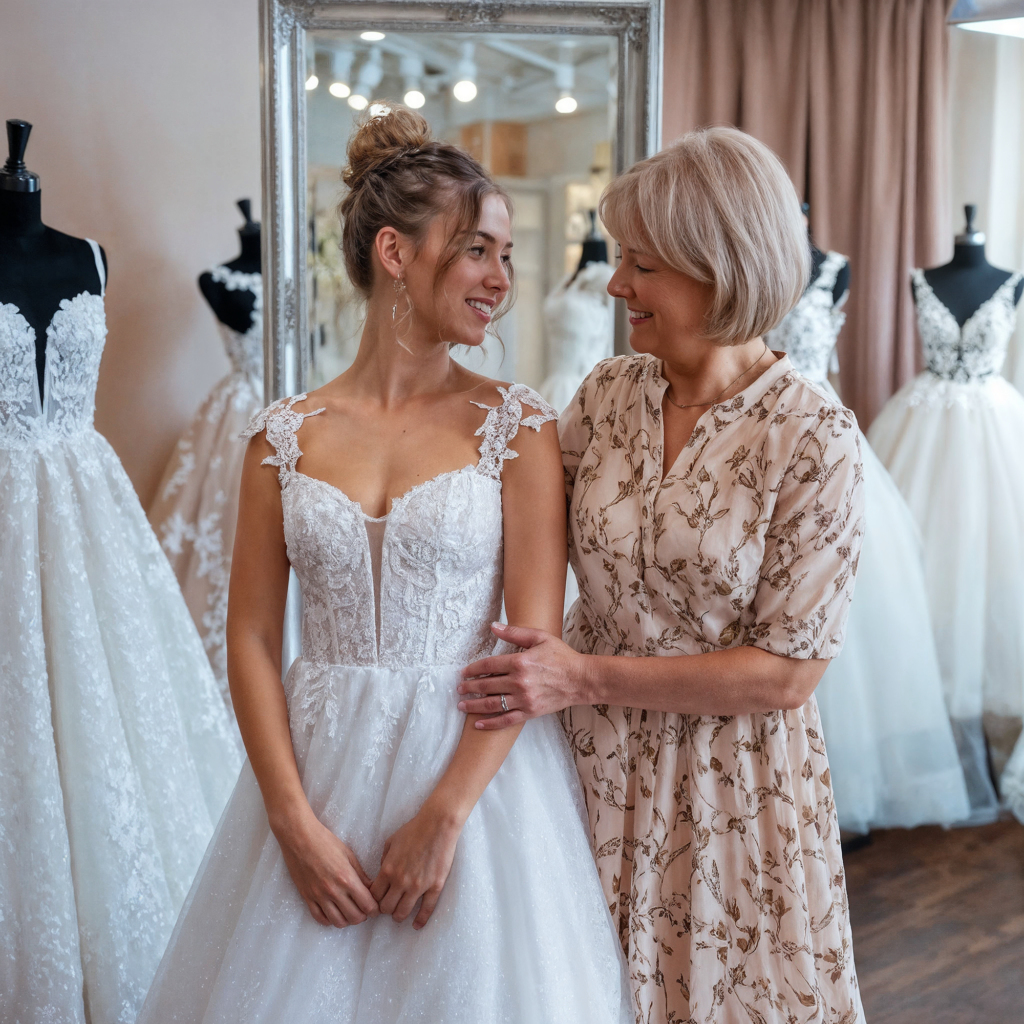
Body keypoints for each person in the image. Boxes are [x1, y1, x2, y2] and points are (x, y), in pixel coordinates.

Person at [137, 106, 630, 1024]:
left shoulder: (518, 430)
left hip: (476, 798)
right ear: (396, 254)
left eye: (508, 256)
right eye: (479, 249)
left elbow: (535, 646)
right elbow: (247, 636)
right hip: (313, 785)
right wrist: (290, 824)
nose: (502, 279)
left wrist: (446, 816)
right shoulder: (282, 438)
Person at [460, 127, 866, 1024]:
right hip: (587, 767)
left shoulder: (815, 436)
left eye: (640, 264)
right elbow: (505, 526)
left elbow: (787, 674)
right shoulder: (607, 396)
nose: (614, 284)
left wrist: (581, 674)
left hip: (732, 791)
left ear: (714, 266)